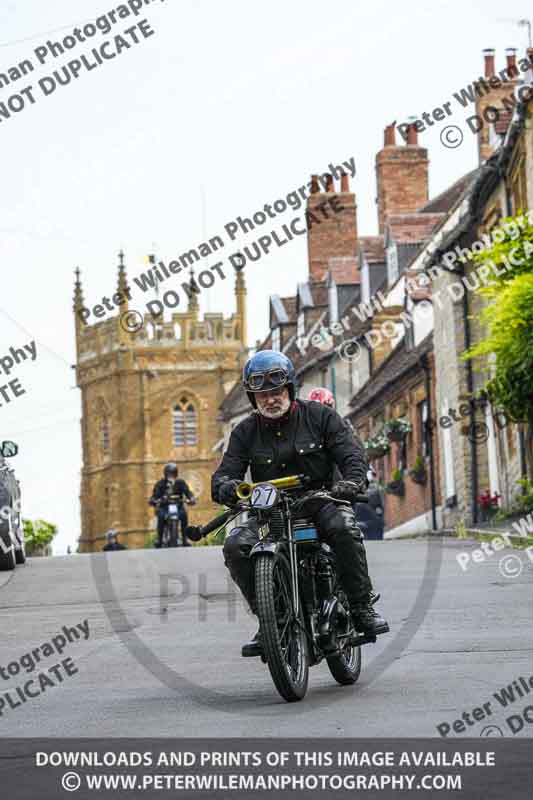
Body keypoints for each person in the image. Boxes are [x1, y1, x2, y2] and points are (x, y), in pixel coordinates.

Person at [211, 350, 389, 657]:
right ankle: (272, 618)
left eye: (276, 391)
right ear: (253, 398)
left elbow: (351, 456)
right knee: (236, 544)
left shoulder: (321, 417)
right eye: (262, 394)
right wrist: (227, 487)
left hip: (321, 501)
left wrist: (351, 482)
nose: (270, 399)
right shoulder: (244, 432)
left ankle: (361, 607)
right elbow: (224, 474)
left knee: (344, 528)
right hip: (271, 510)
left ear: (290, 389)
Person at [149, 463, 195, 547]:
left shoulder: (180, 483)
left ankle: (185, 539)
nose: (171, 476)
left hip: (178, 506)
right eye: (169, 474)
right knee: (161, 516)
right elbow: (154, 496)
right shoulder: (160, 484)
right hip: (164, 507)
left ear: (176, 474)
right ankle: (159, 539)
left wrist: (191, 499)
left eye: (173, 474)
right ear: (165, 474)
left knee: (184, 515)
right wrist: (154, 500)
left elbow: (188, 492)